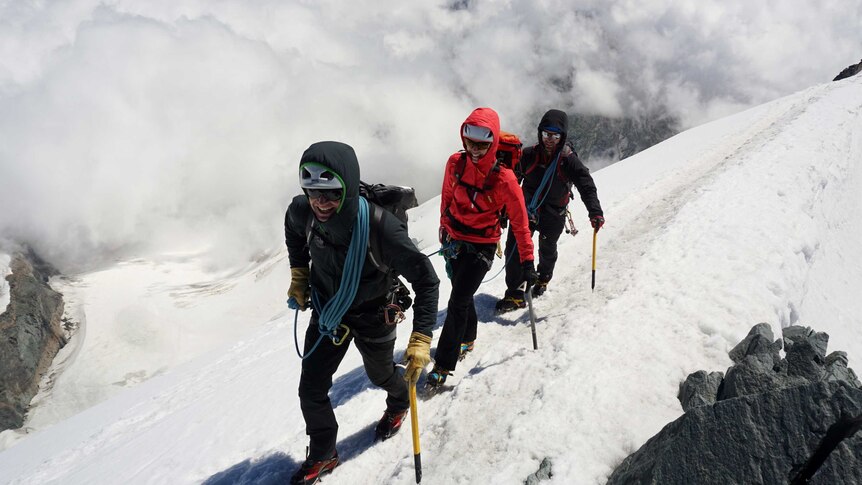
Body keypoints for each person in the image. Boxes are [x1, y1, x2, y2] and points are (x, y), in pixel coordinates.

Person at [284, 141, 439, 484]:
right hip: (328, 312)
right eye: (312, 192)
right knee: (310, 389)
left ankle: (399, 402)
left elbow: (427, 281)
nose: (320, 203)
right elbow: (293, 232)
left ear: (349, 187)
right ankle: (324, 453)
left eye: (331, 194)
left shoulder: (382, 229)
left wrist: (422, 336)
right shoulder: (303, 212)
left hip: (373, 311)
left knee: (381, 374)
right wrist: (300, 274)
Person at [429, 107, 537, 388]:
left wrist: (528, 262)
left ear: (493, 144)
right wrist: (444, 225)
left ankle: (443, 364)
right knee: (460, 294)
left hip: (482, 247)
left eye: (482, 145)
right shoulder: (455, 163)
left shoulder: (505, 180)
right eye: (470, 143)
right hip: (454, 239)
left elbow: (521, 224)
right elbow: (448, 197)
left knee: (458, 299)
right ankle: (468, 336)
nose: (474, 150)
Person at [495, 109, 604, 314]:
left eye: (555, 135)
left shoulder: (568, 160)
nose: (550, 140)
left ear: (563, 136)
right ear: (540, 133)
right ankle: (516, 293)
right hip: (526, 211)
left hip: (554, 213)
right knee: (515, 248)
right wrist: (502, 210)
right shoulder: (528, 155)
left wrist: (595, 211)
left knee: (547, 248)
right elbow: (509, 181)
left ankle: (543, 278)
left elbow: (585, 183)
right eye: (546, 134)